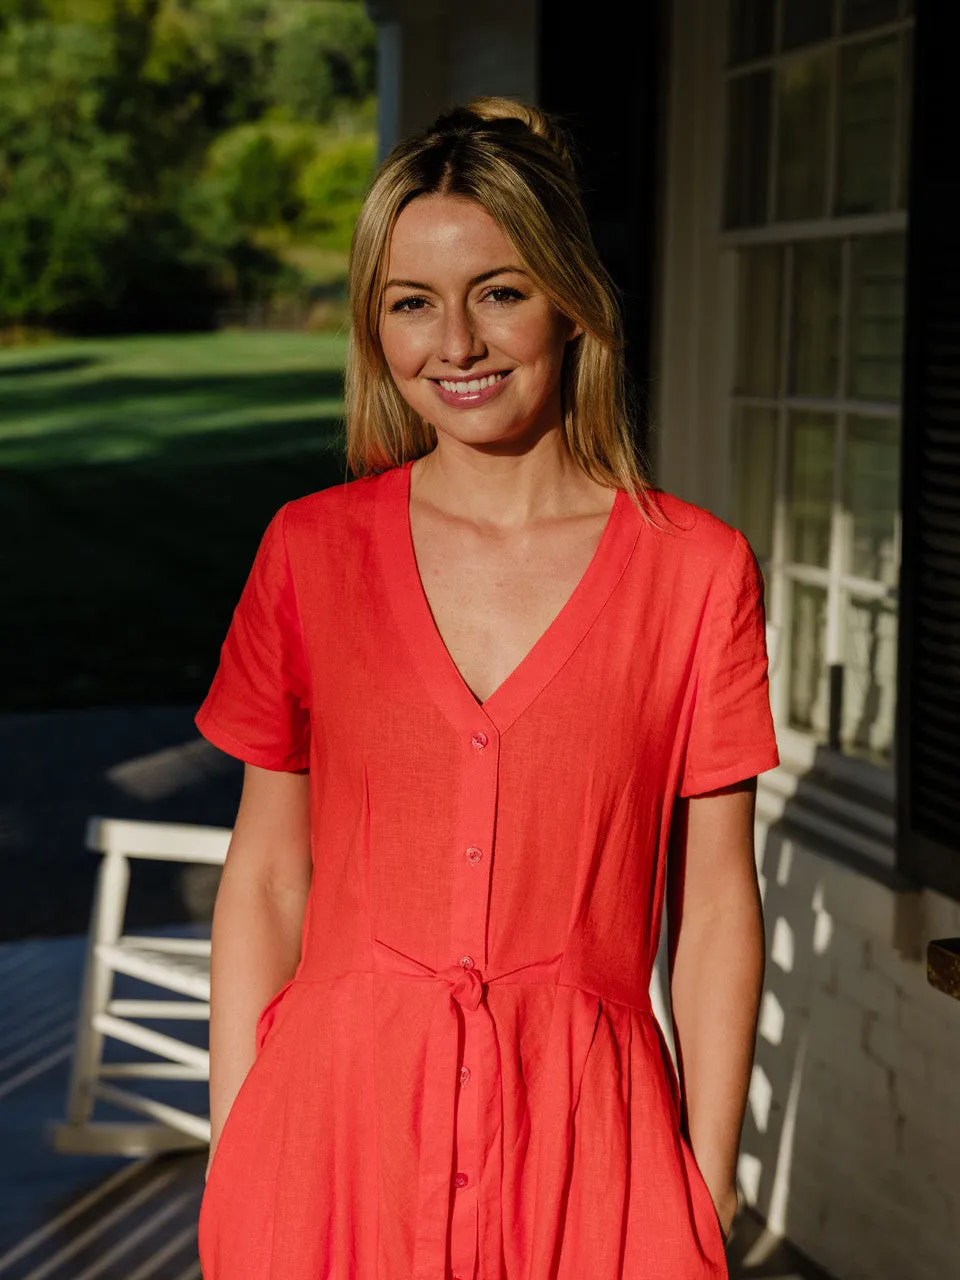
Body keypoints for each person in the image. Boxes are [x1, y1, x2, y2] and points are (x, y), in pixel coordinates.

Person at [194, 97, 780, 1280]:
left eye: (499, 291)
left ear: (570, 299)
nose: (455, 342)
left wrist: (701, 1185)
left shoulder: (694, 572)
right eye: (413, 302)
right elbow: (263, 871)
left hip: (590, 1160)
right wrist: (238, 1146)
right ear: (376, 326)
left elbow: (715, 905)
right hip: (328, 1150)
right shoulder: (311, 552)